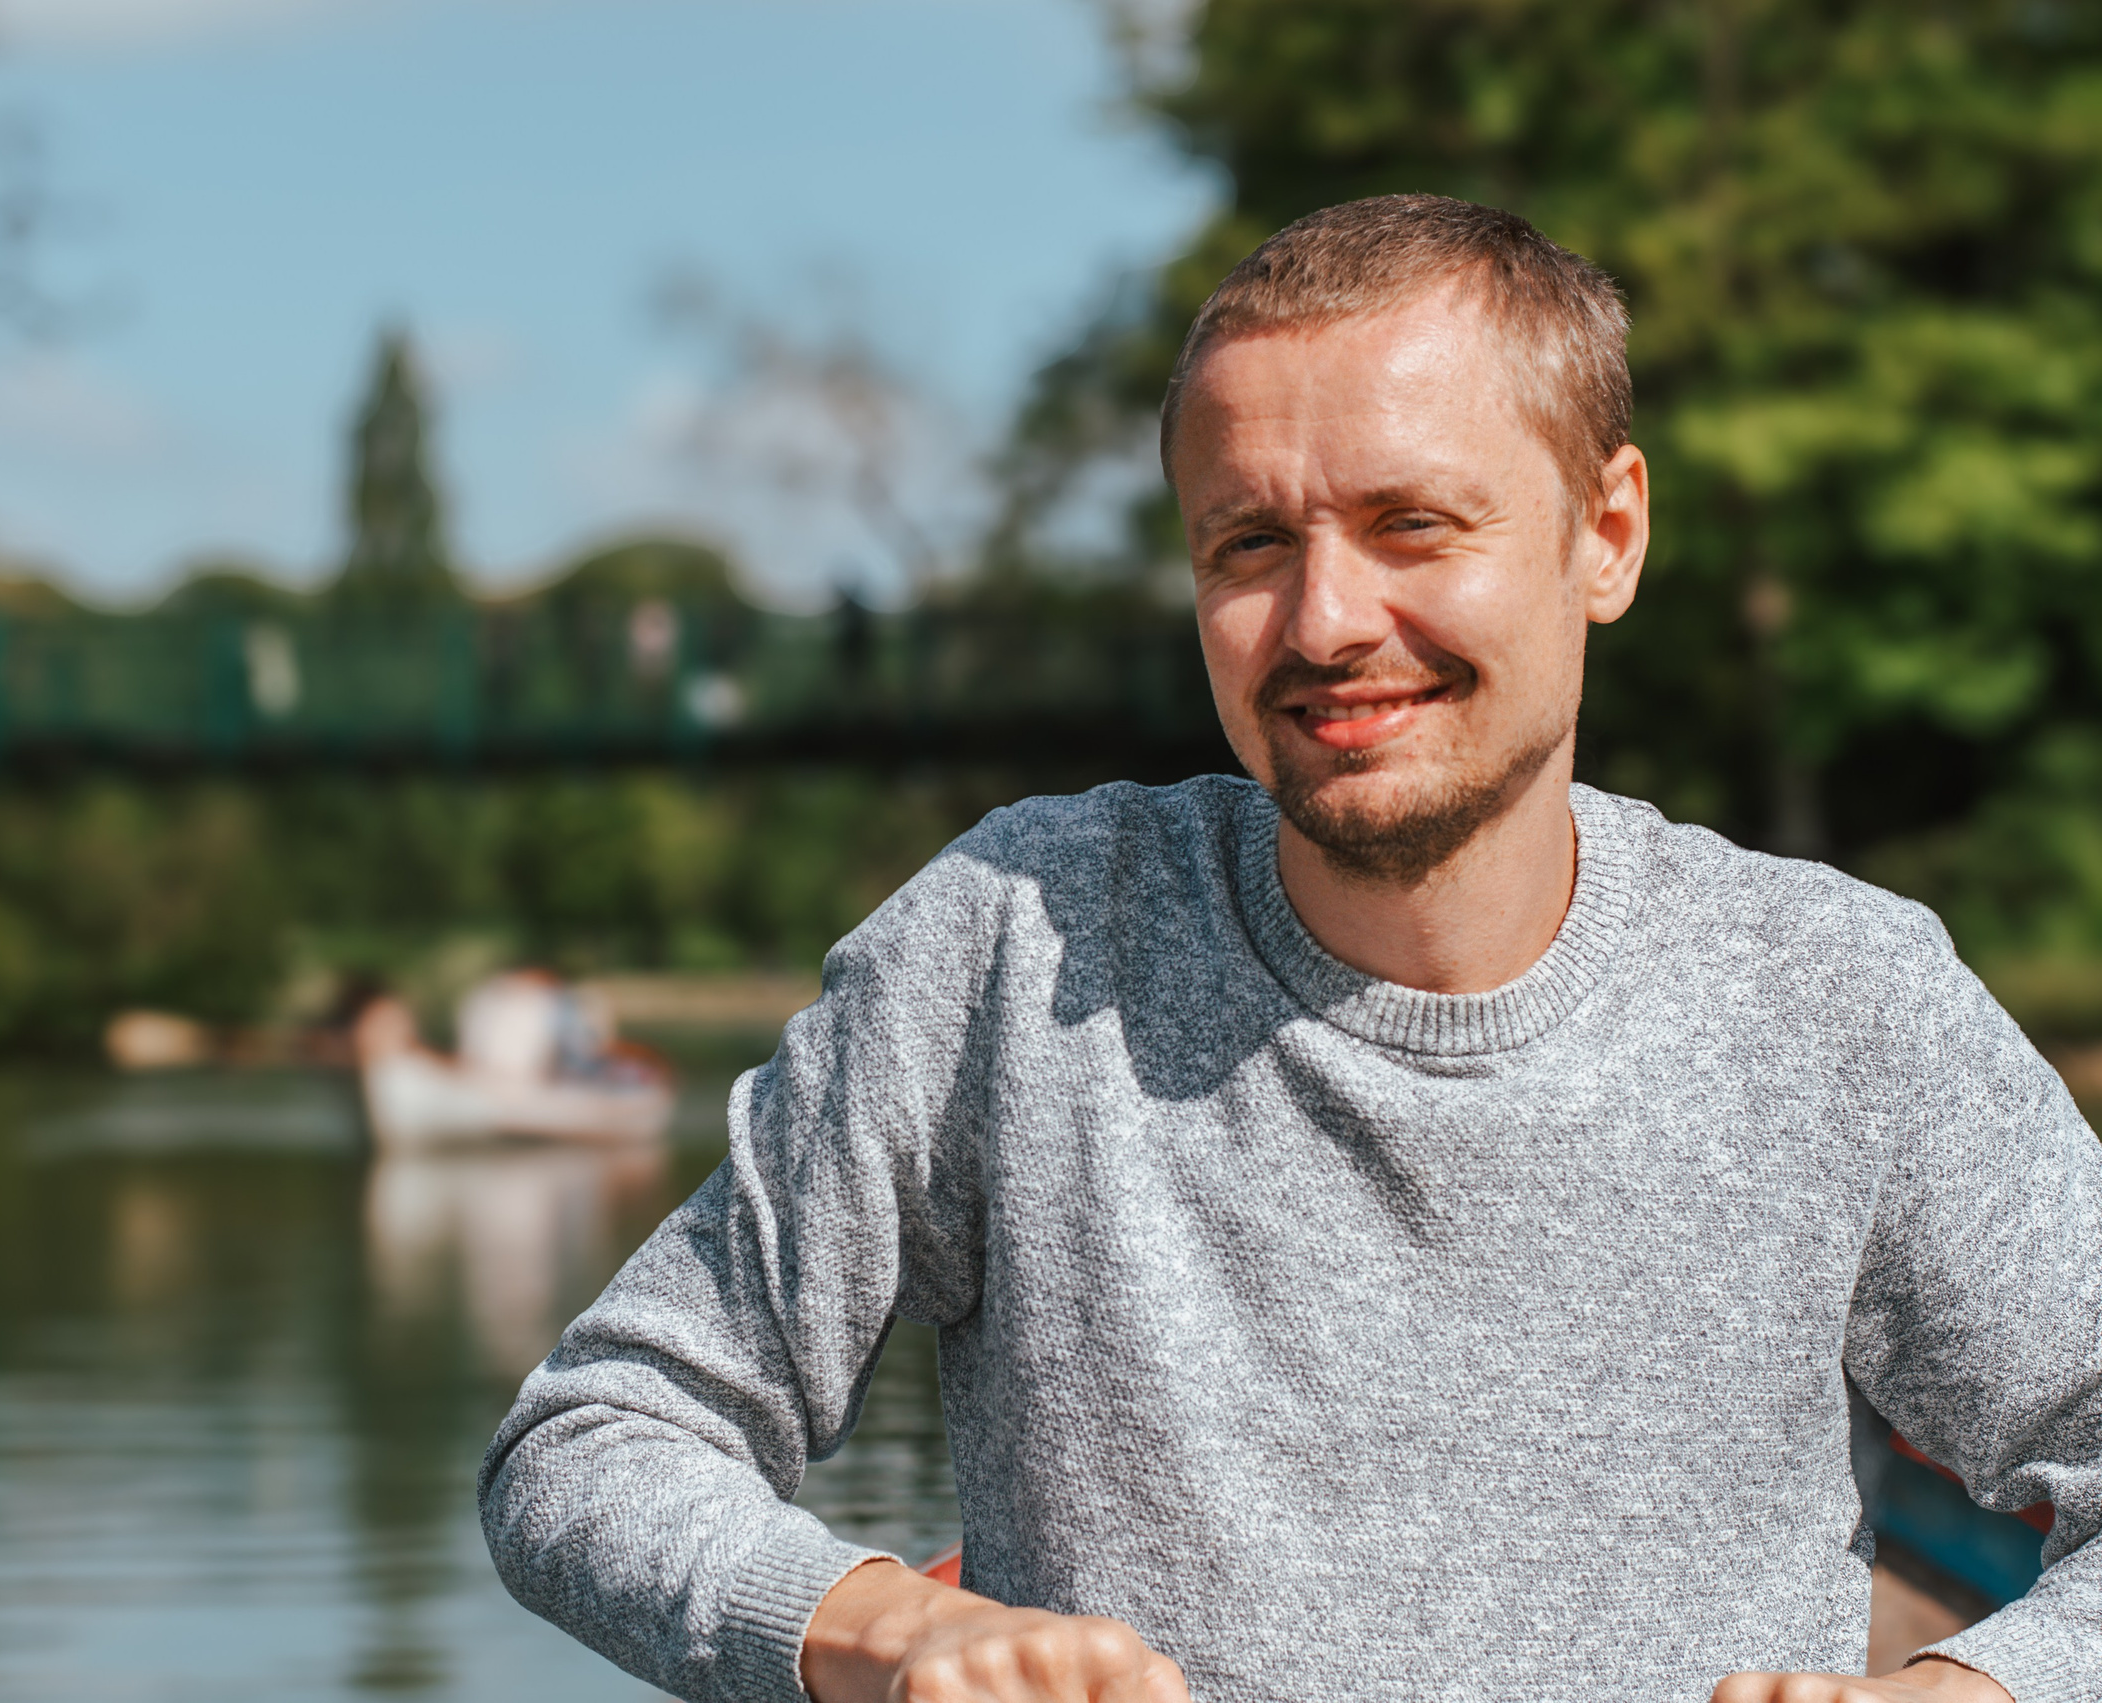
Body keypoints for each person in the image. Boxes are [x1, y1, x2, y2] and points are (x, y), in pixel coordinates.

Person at [476, 196, 2102, 1703]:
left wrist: (1972, 1693)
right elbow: (592, 1443)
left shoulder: (1841, 1000)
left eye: (1411, 524)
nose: (1323, 621)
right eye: (1250, 544)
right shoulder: (1009, 943)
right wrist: (885, 1628)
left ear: (1606, 535)